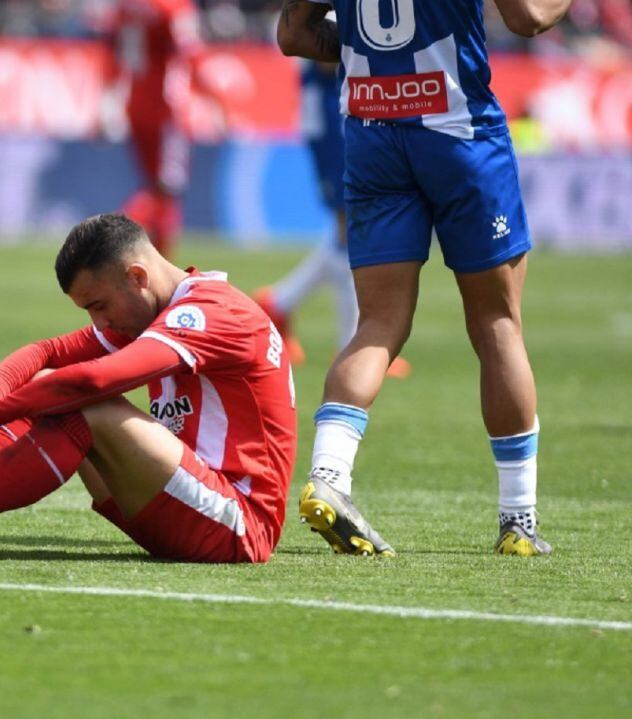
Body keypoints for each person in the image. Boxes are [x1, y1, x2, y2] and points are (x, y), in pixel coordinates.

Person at [0, 214, 297, 562]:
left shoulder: (212, 310)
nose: (99, 321)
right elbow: (45, 354)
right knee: (52, 385)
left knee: (84, 402)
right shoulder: (159, 311)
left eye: (100, 305)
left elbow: (93, 381)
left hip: (238, 524)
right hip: (182, 504)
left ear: (137, 276)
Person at [278, 0, 571, 556]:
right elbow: (529, 17)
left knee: (378, 324)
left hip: (370, 137)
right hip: (459, 135)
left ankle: (329, 476)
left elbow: (293, 34)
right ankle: (518, 523)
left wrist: (378, 57)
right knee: (497, 324)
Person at [252, 60, 410, 378]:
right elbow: (324, 53)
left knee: (348, 237)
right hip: (334, 128)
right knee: (352, 234)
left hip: (334, 120)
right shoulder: (327, 24)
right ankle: (351, 343)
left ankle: (278, 303)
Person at [102, 0, 222, 259]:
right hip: (166, 109)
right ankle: (109, 238)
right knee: (167, 189)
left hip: (135, 101)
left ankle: (158, 265)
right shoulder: (173, 7)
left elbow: (113, 53)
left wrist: (107, 100)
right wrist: (215, 100)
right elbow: (191, 53)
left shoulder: (127, 6)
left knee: (158, 188)